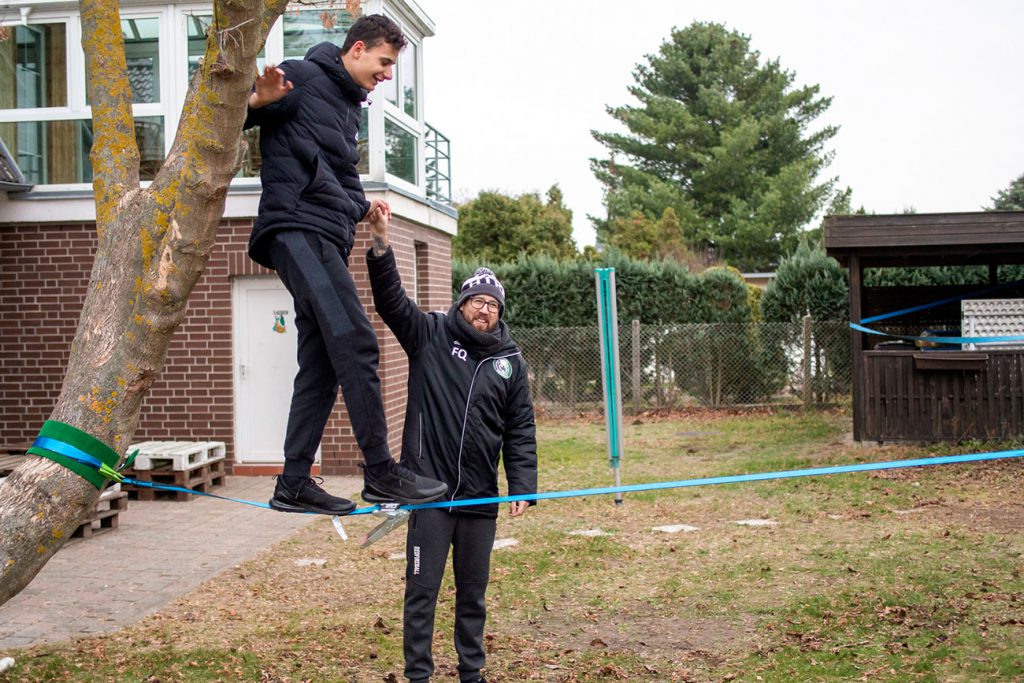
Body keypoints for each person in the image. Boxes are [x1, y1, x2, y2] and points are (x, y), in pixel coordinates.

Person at [243, 14, 447, 515]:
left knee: (320, 364)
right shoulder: (304, 76)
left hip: (327, 236)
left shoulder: (347, 107)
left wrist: (364, 211)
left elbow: (334, 172)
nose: (387, 74)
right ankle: (380, 473)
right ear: (356, 49)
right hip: (295, 227)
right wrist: (255, 102)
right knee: (356, 340)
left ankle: (293, 483)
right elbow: (238, 115)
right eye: (384, 63)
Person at [364, 210, 538, 683]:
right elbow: (392, 302)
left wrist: (522, 486)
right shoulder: (431, 336)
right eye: (478, 301)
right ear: (462, 305)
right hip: (431, 495)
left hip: (481, 498)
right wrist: (381, 246)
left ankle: (471, 672)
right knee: (422, 590)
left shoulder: (510, 362)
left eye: (494, 305)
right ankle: (418, 674)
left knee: (472, 594)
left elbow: (520, 429)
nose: (485, 310)